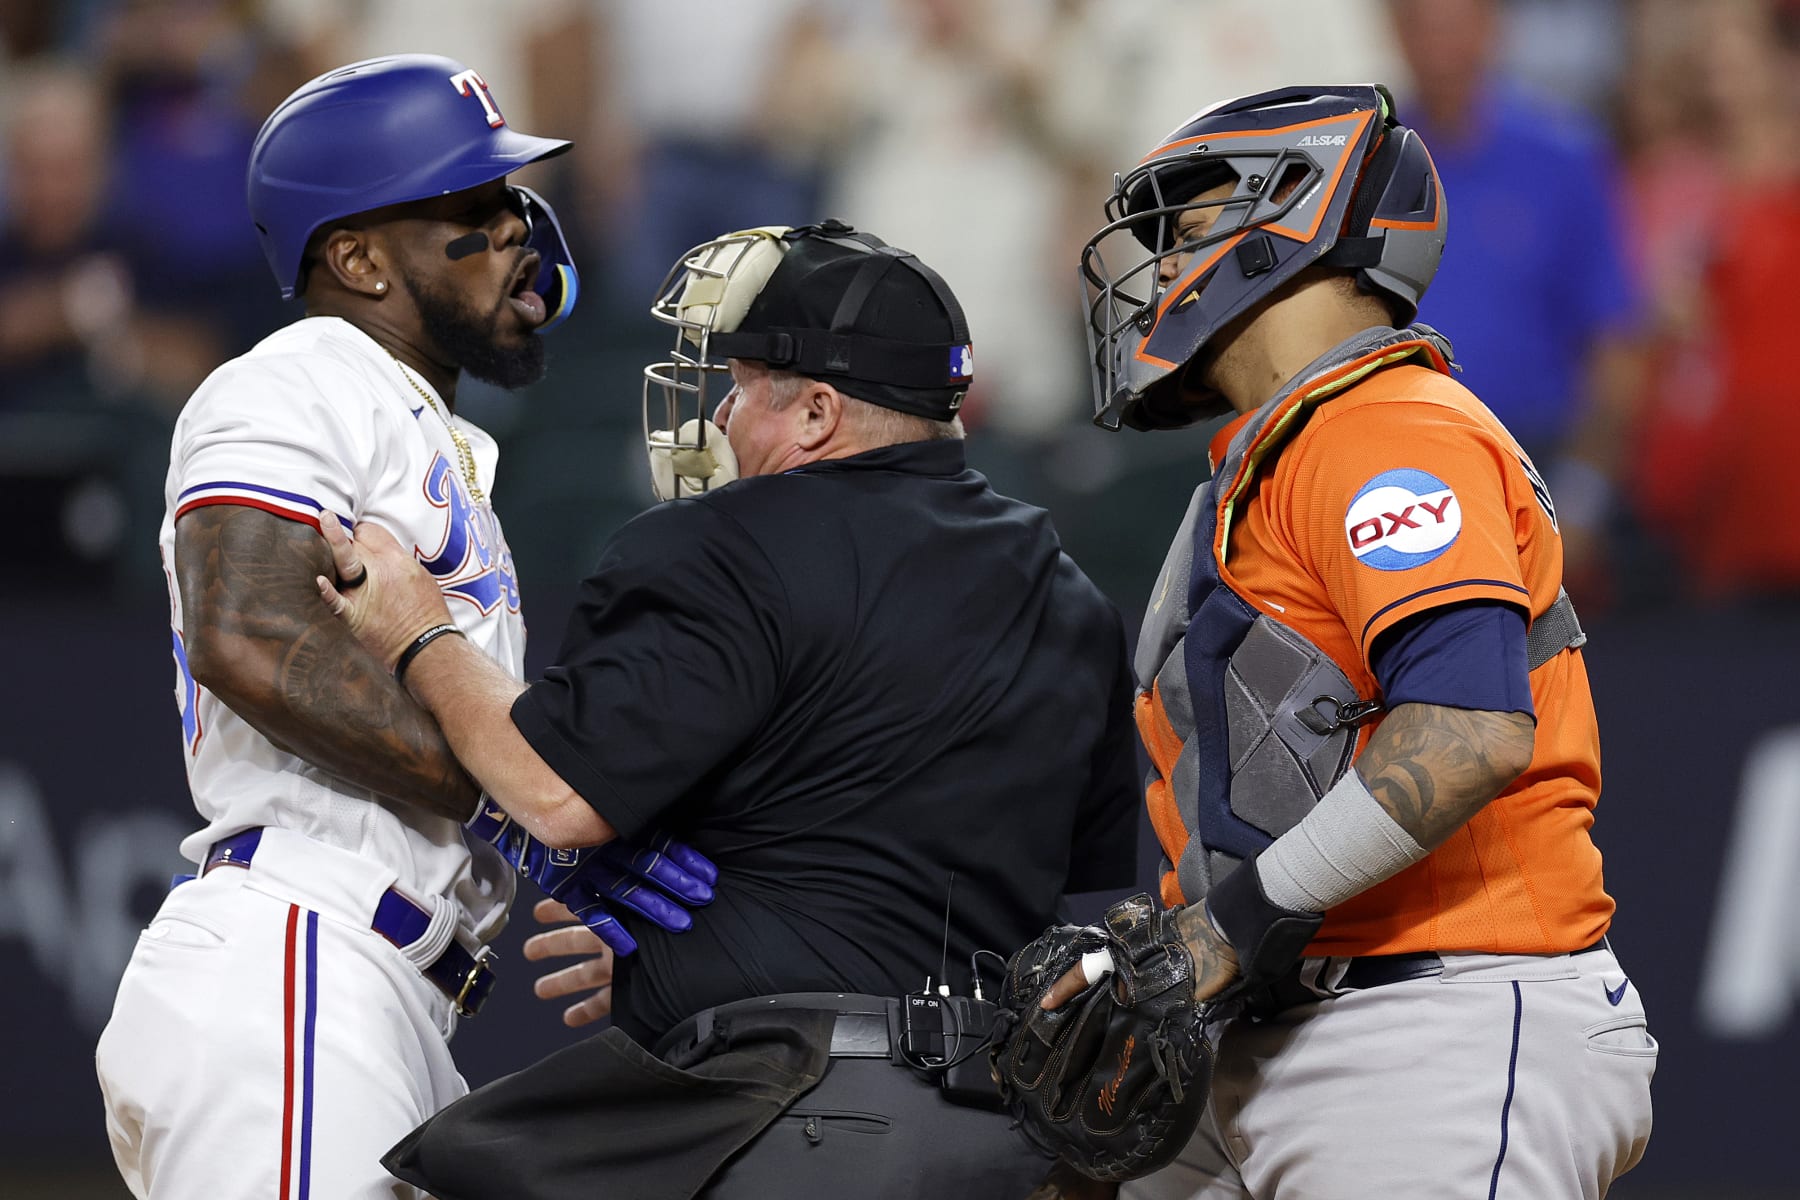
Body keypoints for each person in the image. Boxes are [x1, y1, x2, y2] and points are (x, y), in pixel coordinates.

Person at [311, 220, 1141, 1199]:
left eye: (743, 385)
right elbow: (1061, 904)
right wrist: (710, 943)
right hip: (1011, 1135)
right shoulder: (1069, 595)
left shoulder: (727, 543)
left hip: (801, 1128)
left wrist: (420, 632)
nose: (723, 416)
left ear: (819, 412)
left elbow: (553, 792)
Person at [94, 55, 711, 1200]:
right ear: (358, 258)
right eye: (471, 210)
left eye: (514, 200)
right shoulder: (297, 375)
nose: (520, 230)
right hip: (298, 955)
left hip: (383, 992)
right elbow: (248, 633)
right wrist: (523, 812)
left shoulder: (414, 421)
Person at [1056, 84, 1656, 1198]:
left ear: (1286, 221)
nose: (1161, 275)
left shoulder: (1387, 428)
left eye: (1185, 233)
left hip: (1441, 1022)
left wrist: (1219, 935)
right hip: (1294, 1026)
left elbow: (1470, 728)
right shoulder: (1275, 454)